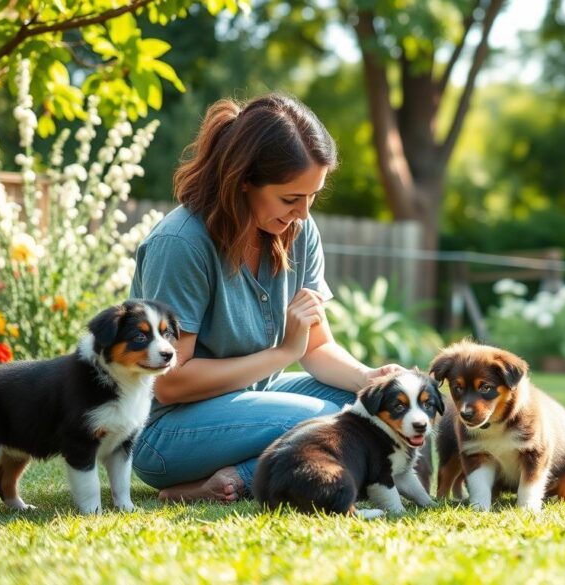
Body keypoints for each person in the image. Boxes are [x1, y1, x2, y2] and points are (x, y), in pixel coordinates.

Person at [129, 93, 403, 502]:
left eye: (313, 197)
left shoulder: (297, 231)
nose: (304, 213)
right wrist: (280, 354)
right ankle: (232, 480)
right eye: (291, 198)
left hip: (255, 403)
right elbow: (170, 383)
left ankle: (239, 477)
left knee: (379, 411)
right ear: (242, 181)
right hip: (166, 431)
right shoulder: (182, 243)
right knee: (333, 424)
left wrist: (367, 380)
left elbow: (316, 346)